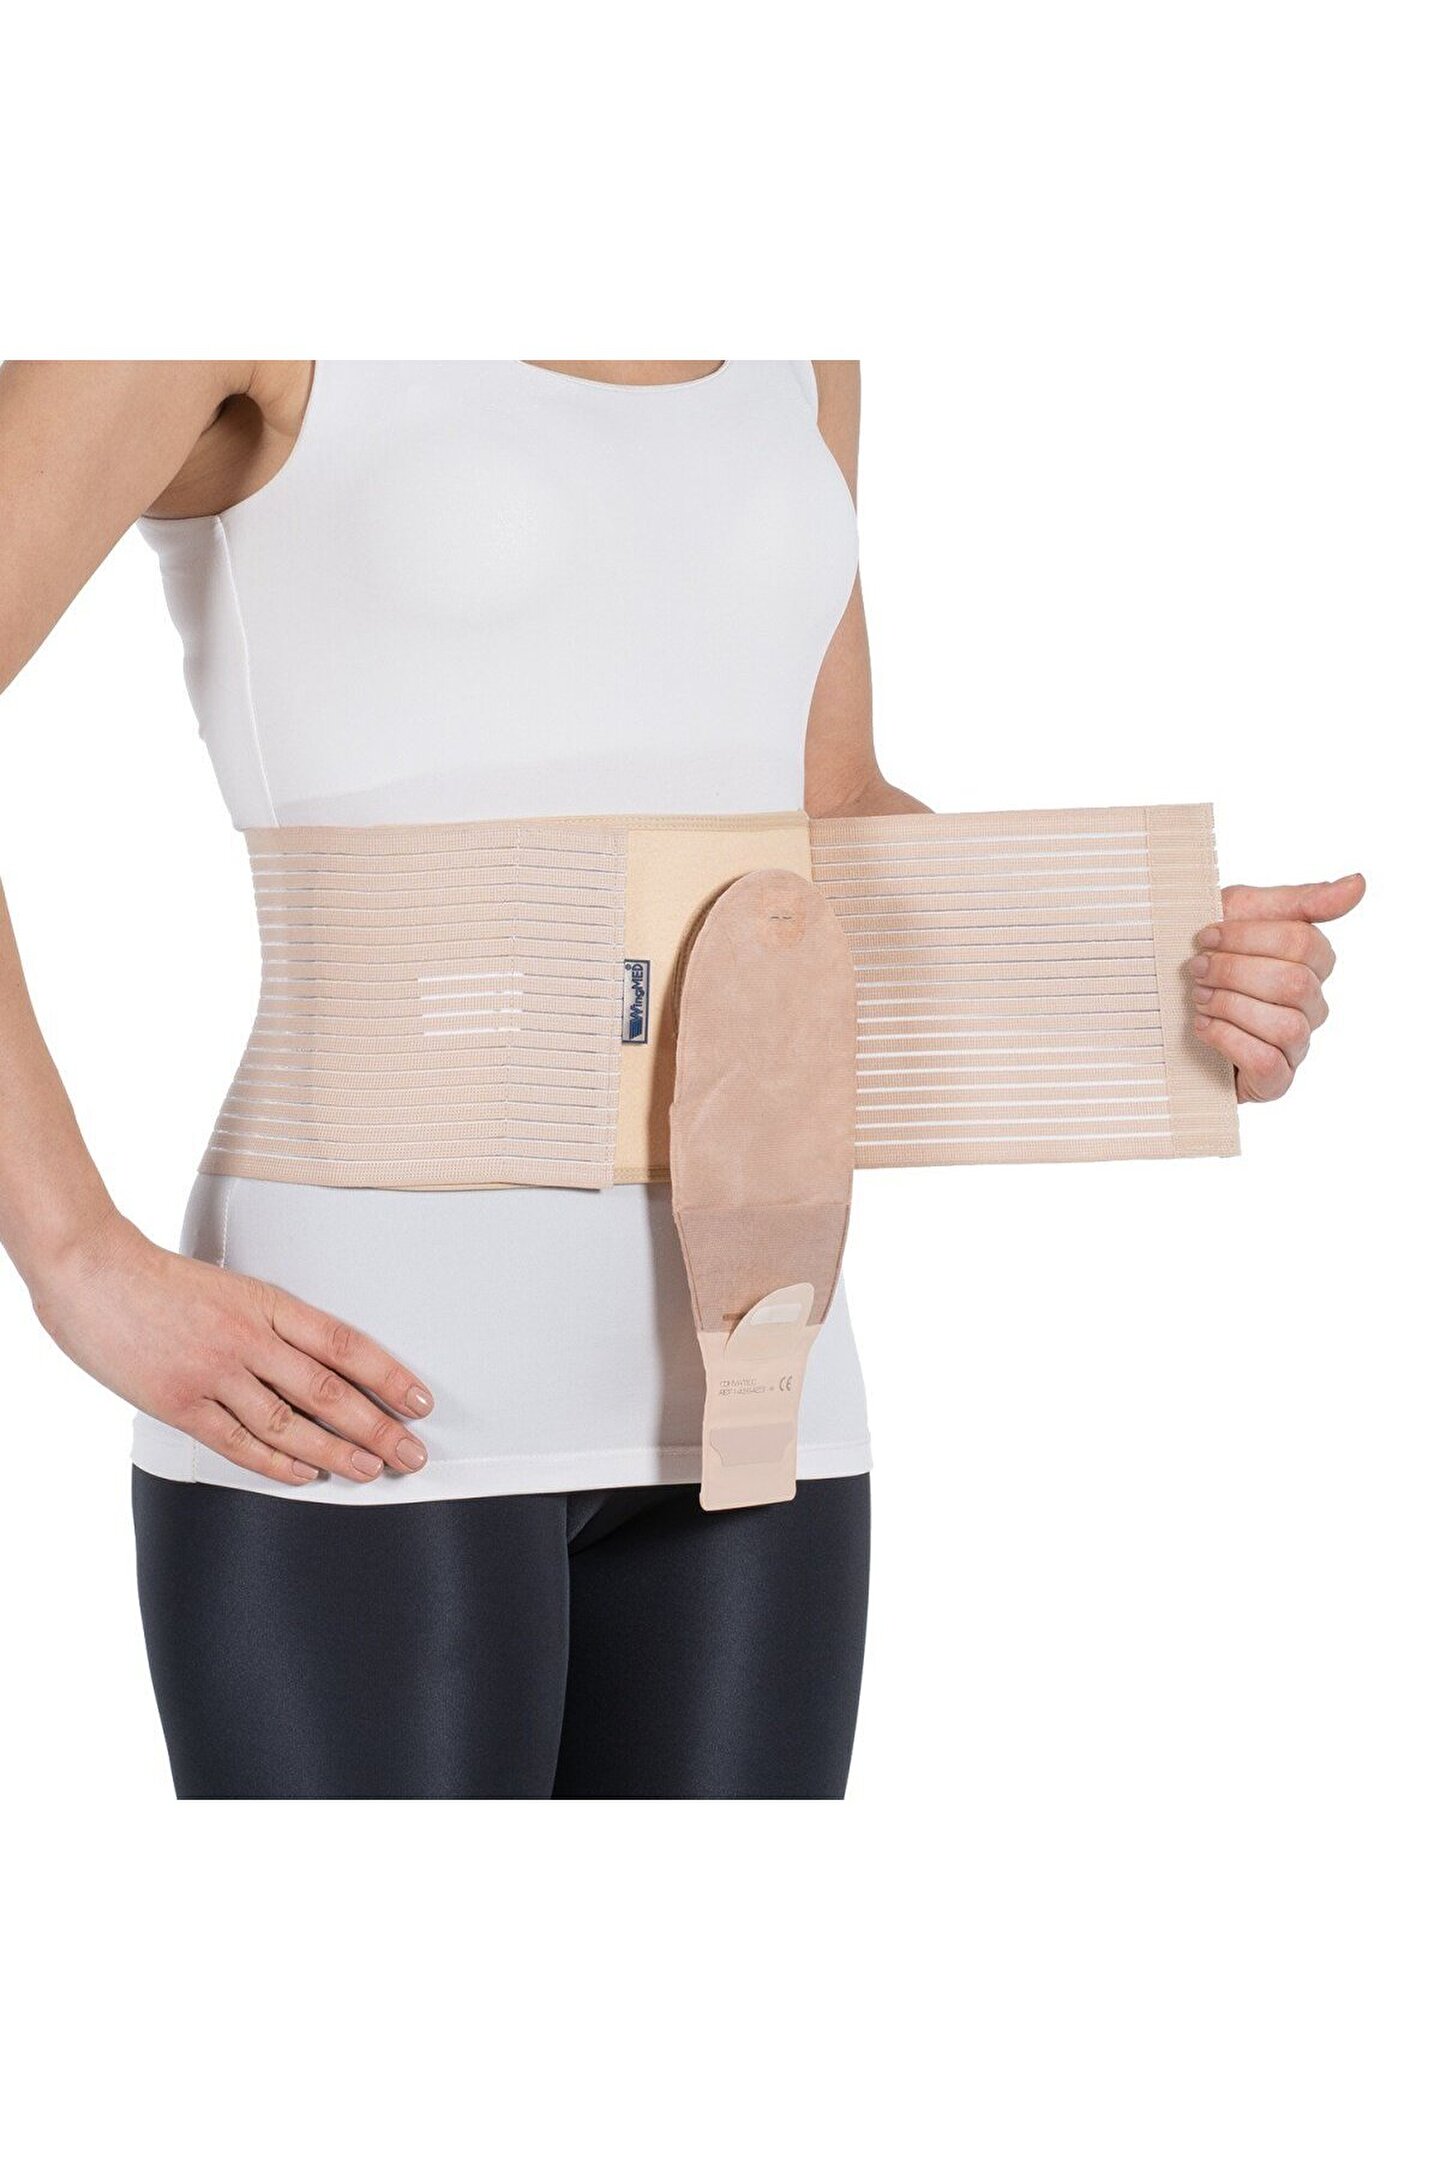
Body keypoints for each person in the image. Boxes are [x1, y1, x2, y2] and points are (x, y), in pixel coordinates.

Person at [0, 359, 1365, 1798]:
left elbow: (824, 817)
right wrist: (76, 1259)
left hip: (759, 1367)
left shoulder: (797, 340)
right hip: (350, 1376)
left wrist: (1164, 990)